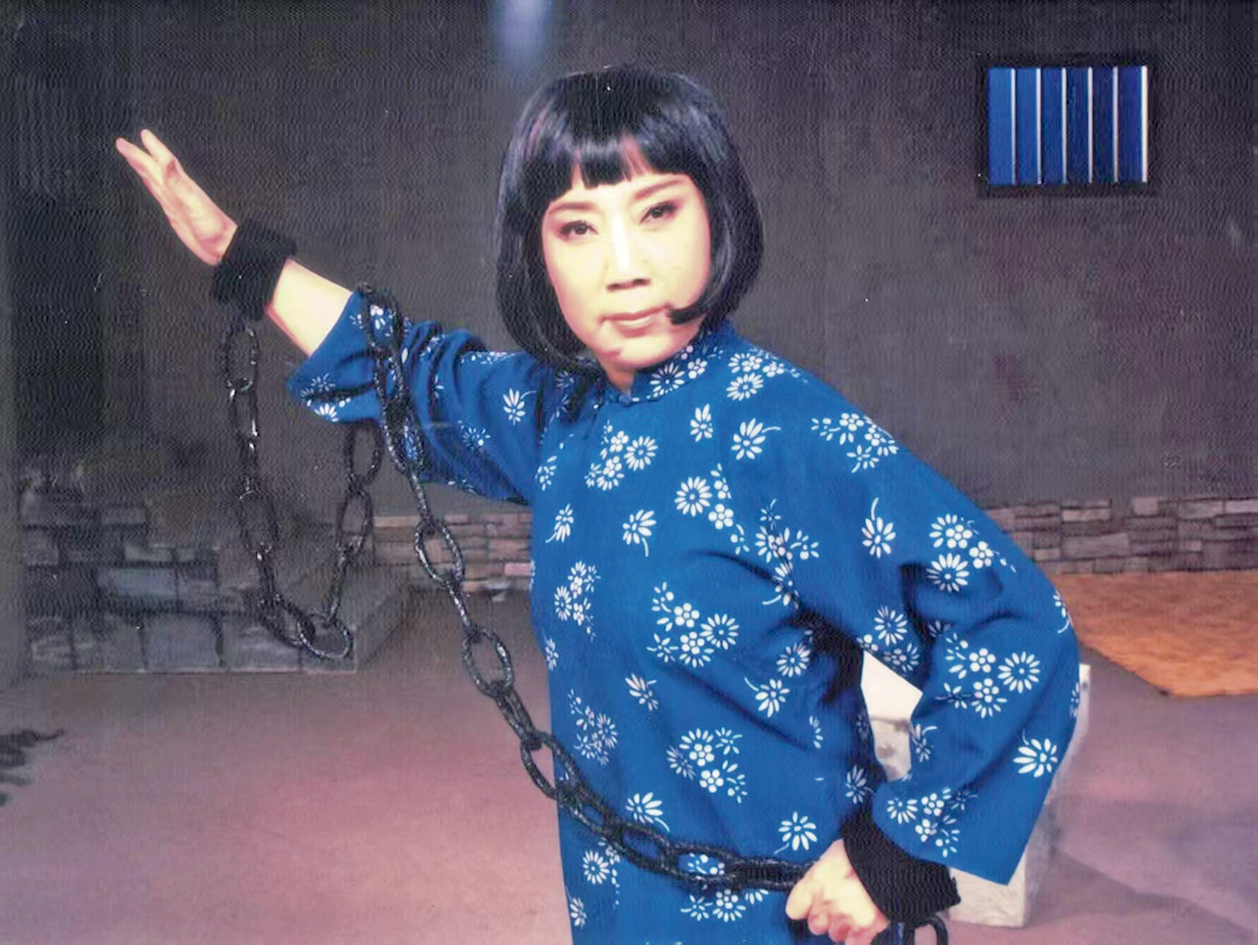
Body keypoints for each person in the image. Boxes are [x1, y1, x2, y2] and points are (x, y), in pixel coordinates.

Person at [117, 65, 1080, 945]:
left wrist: (895, 854)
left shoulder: (785, 432)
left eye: (657, 212)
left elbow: (1015, 625)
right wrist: (241, 256)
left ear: (716, 216)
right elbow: (412, 371)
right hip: (618, 902)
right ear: (538, 254)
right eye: (579, 227)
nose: (624, 265)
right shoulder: (560, 416)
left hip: (785, 917)